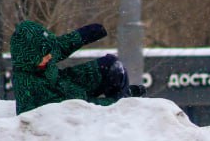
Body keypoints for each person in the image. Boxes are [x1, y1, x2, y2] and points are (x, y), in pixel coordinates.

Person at [9, 19, 144, 115]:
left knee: (113, 66)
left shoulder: (42, 55)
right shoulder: (28, 86)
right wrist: (113, 103)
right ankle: (123, 105)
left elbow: (60, 46)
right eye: (44, 55)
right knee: (109, 105)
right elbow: (75, 109)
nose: (50, 57)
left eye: (49, 53)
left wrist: (85, 34)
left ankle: (124, 98)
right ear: (29, 58)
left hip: (68, 83)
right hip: (68, 105)